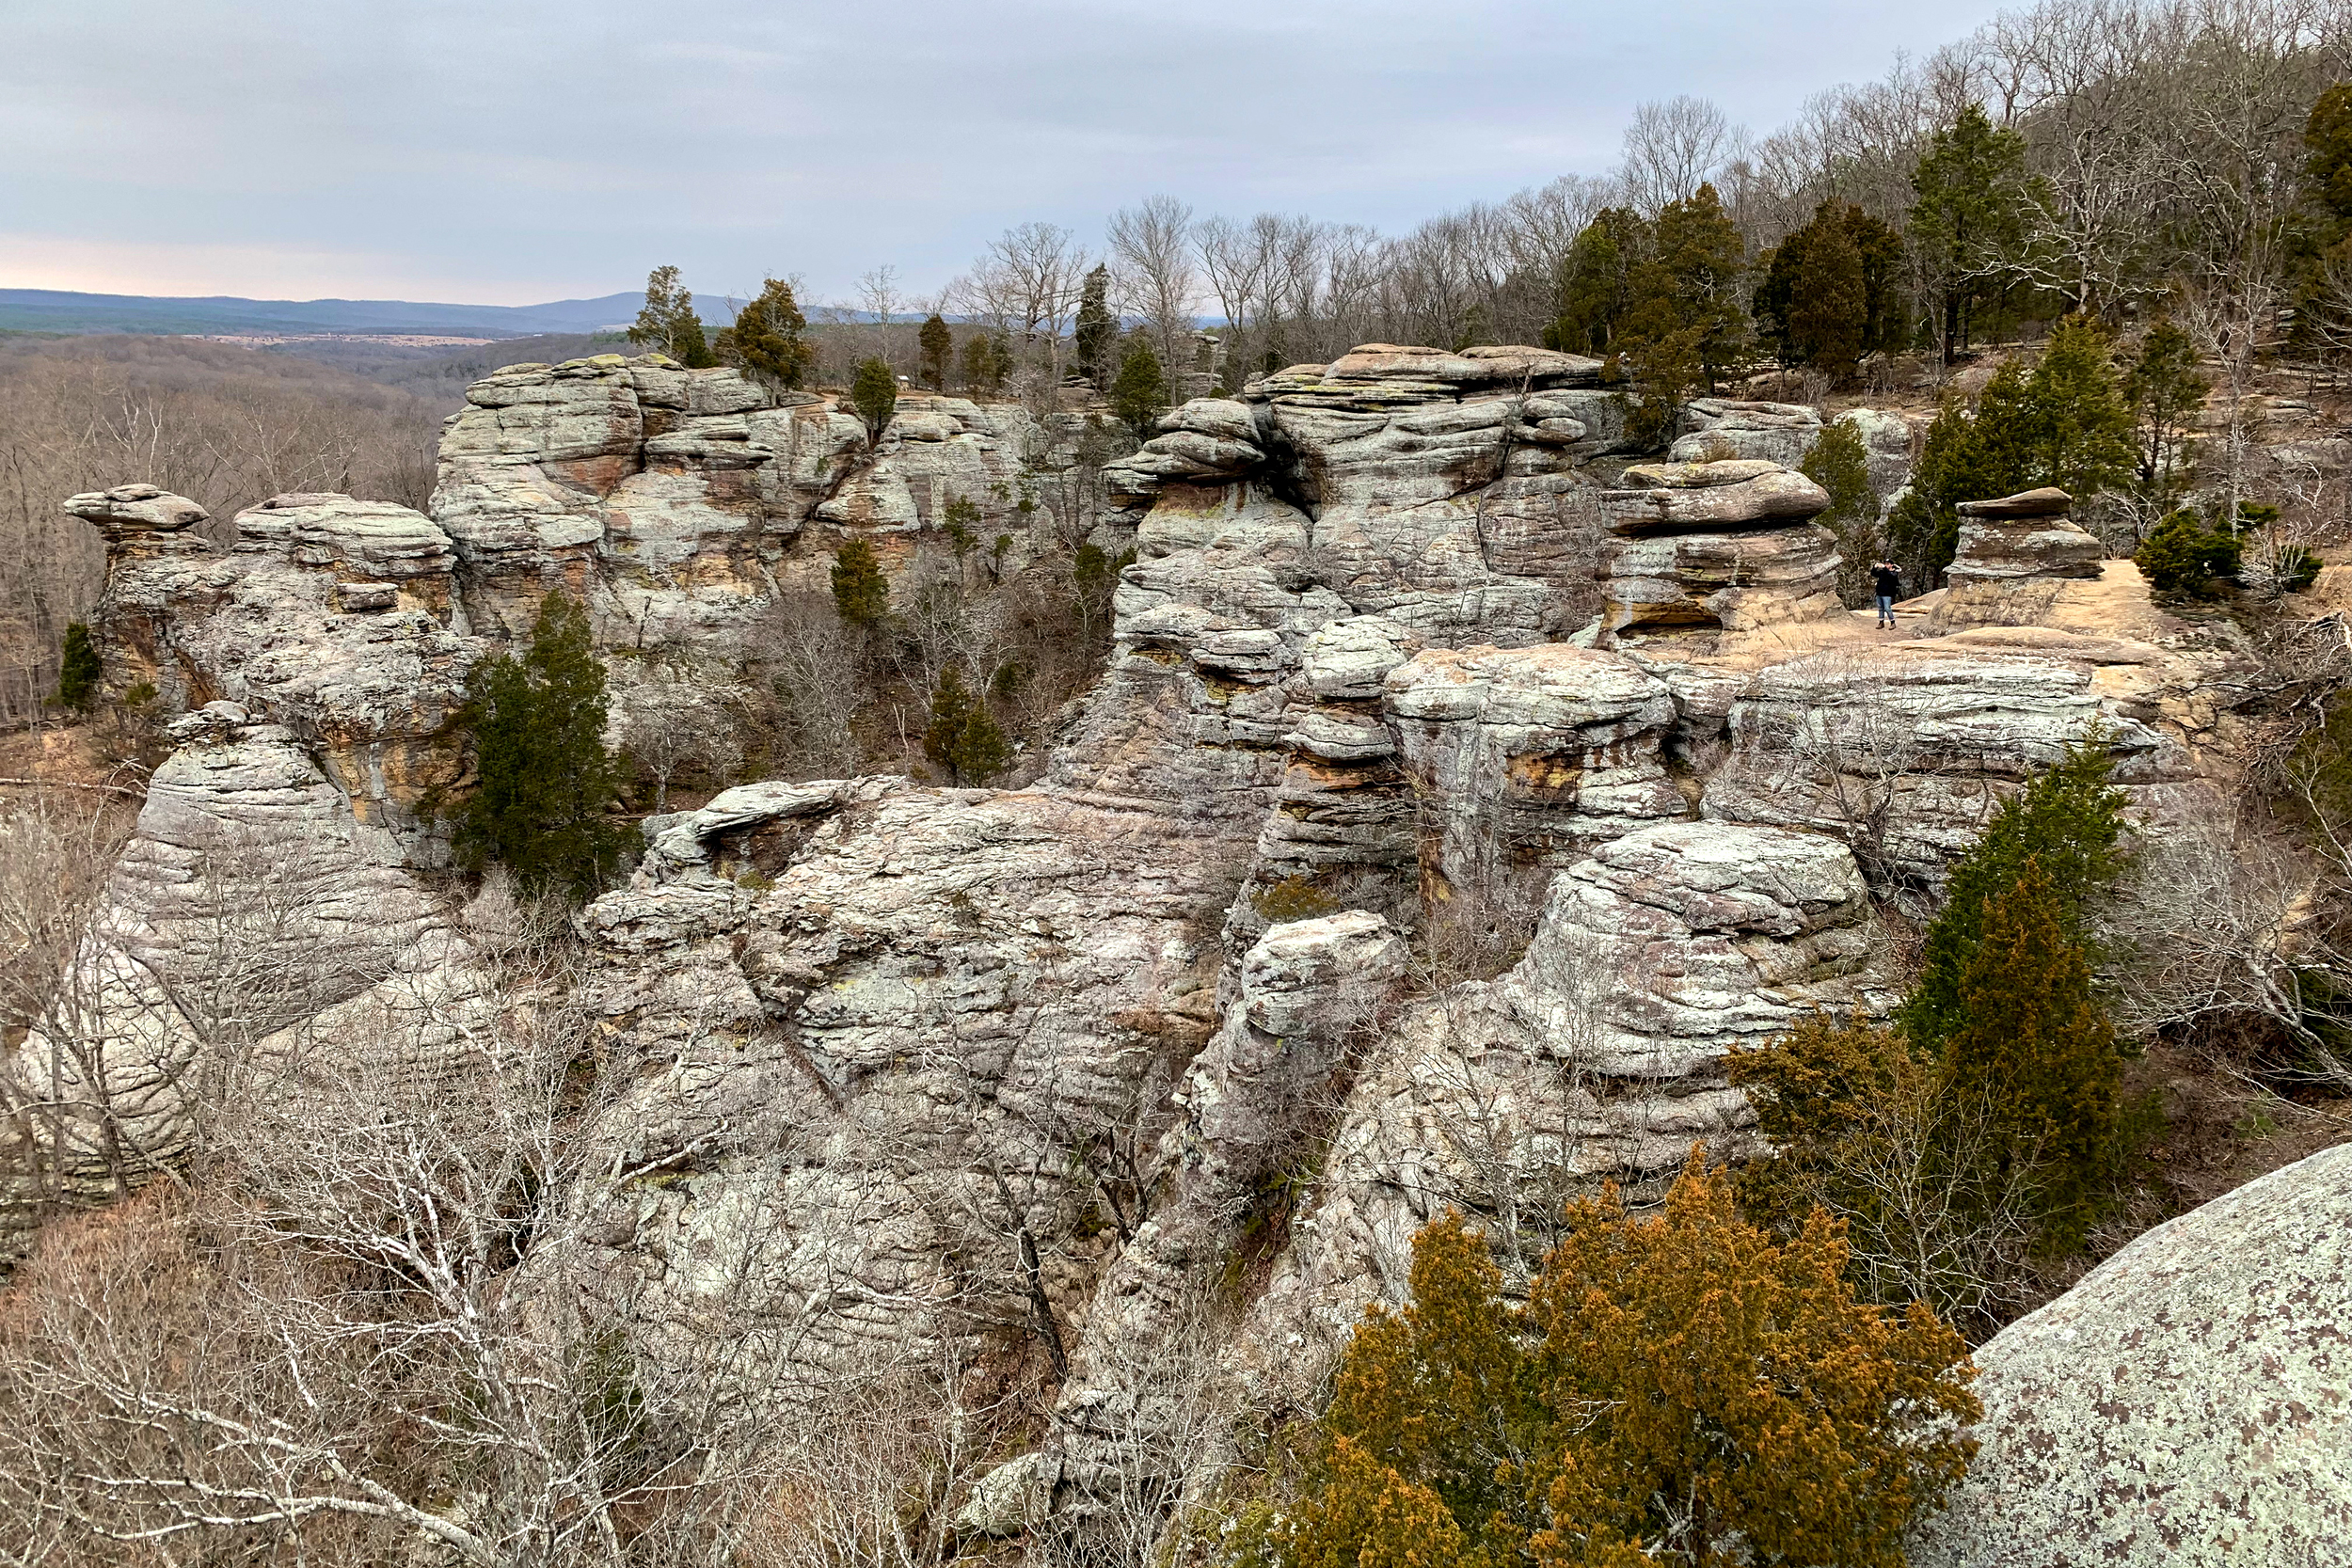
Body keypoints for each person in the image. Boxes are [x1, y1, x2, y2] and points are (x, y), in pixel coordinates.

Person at [1871, 561, 1902, 628]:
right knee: (1880, 608)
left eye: (1888, 564)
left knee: (1887, 608)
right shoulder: (1882, 572)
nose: (1886, 565)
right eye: (1885, 564)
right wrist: (1875, 567)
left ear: (1891, 565)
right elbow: (1873, 574)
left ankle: (1892, 622)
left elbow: (1891, 576)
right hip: (1880, 592)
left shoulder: (1894, 573)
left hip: (1888, 593)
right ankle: (1881, 622)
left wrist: (1884, 568)